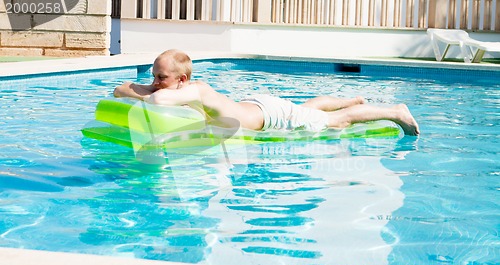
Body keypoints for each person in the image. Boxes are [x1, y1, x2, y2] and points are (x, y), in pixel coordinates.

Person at [114, 49, 419, 136]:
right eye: (153, 75)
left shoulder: (195, 90)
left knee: (337, 122)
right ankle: (351, 98)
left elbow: (156, 98)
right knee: (306, 108)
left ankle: (395, 111)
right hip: (255, 106)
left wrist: (143, 91)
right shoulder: (184, 89)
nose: (154, 81)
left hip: (270, 116)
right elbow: (120, 89)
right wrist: (141, 87)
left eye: (160, 76)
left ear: (181, 79)